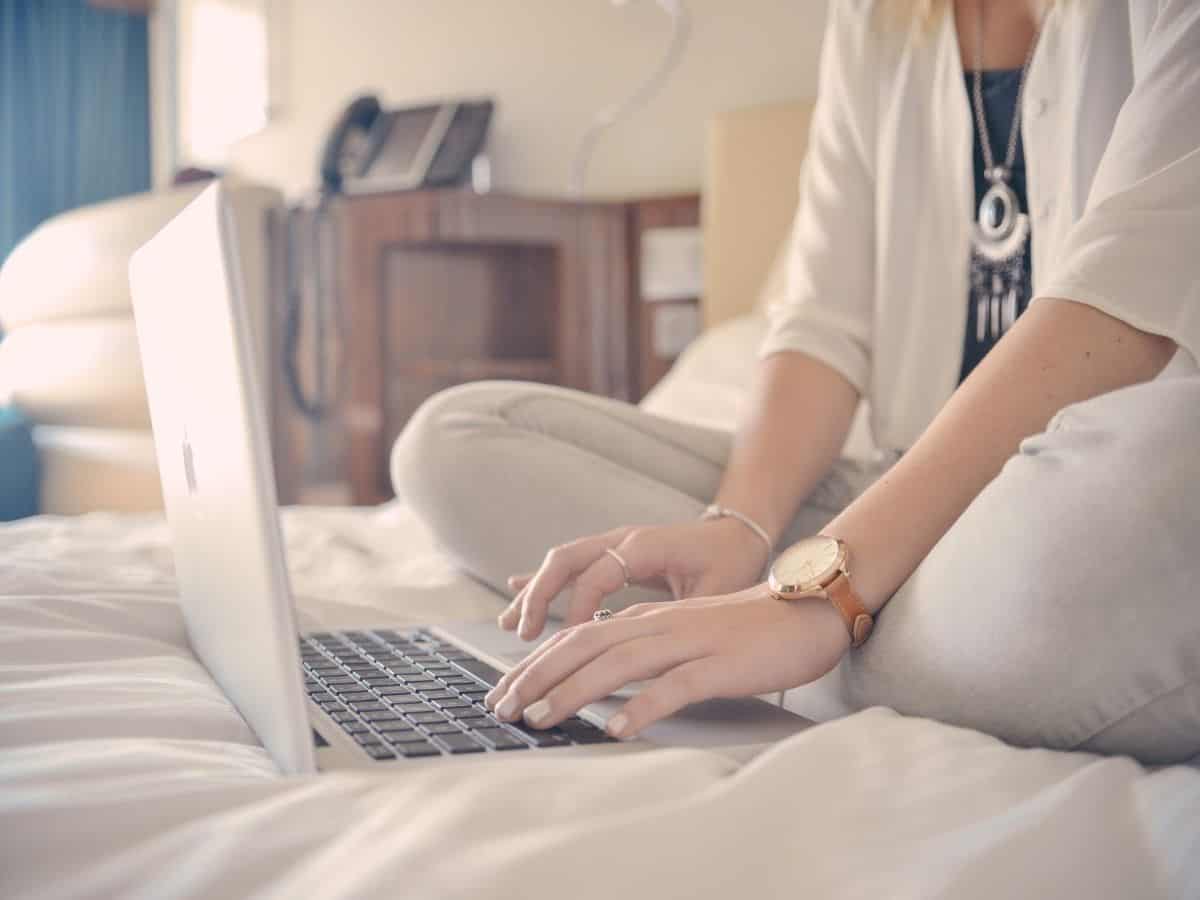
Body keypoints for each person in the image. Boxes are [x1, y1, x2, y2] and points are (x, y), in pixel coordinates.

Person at [394, 0, 1200, 763]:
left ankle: (794, 632)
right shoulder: (876, 17)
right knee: (456, 440)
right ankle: (802, 630)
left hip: (1078, 489)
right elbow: (822, 319)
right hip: (893, 489)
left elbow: (1122, 301)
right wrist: (741, 526)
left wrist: (824, 591)